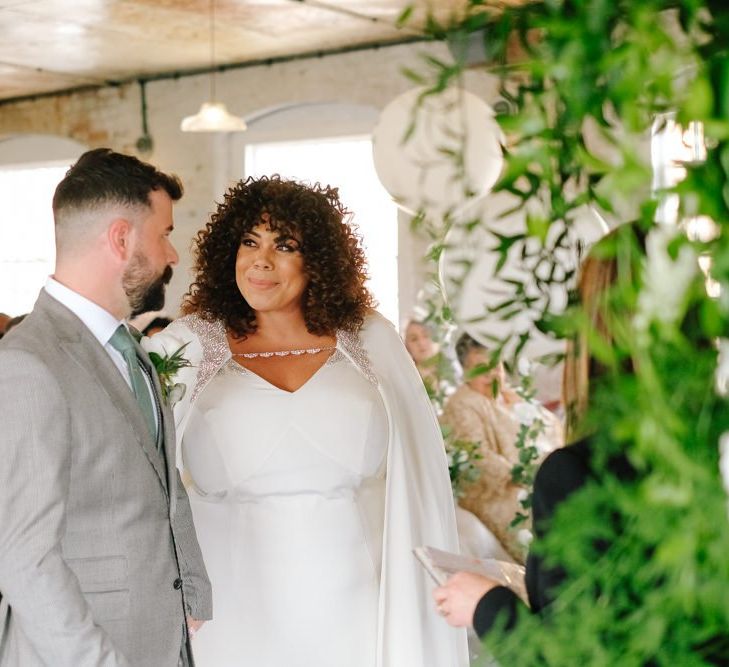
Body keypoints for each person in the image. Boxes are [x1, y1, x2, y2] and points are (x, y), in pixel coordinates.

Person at [148, 175, 468, 667]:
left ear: (317, 260)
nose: (261, 260)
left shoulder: (371, 339)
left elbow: (422, 472)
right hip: (229, 610)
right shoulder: (184, 346)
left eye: (285, 246)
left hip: (359, 601)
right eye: (249, 242)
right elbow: (134, 467)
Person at [0, 148, 211, 666]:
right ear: (121, 238)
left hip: (158, 638)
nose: (173, 255)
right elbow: (25, 559)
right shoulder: (30, 363)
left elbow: (160, 481)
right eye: (164, 234)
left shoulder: (128, 347)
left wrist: (191, 589)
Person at [441, 334, 562, 562]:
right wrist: (527, 477)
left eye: (495, 364)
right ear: (466, 372)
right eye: (480, 368)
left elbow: (552, 427)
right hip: (500, 492)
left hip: (542, 476)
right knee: (546, 514)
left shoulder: (511, 395)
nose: (491, 374)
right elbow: (479, 457)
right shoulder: (463, 404)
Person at [403, 319, 458, 407]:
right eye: (414, 339)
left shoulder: (451, 370)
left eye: (425, 335)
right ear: (406, 346)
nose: (421, 343)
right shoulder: (408, 382)